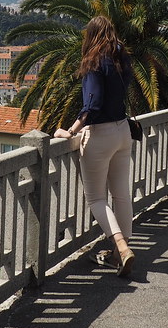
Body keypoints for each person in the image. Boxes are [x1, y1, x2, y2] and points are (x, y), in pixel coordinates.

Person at [53, 15, 135, 277]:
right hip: (123, 131)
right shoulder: (123, 59)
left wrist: (70, 131)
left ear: (91, 35)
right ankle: (117, 253)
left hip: (100, 135)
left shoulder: (94, 62)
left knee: (97, 198)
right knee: (121, 195)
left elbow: (93, 104)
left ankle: (120, 247)